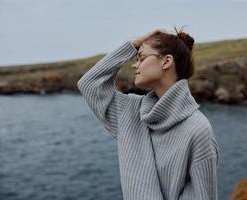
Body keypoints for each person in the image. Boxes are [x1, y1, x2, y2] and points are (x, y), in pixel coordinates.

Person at [77, 26, 220, 200]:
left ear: (166, 61)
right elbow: (89, 85)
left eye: (141, 57)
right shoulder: (129, 112)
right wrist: (135, 44)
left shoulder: (198, 129)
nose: (135, 65)